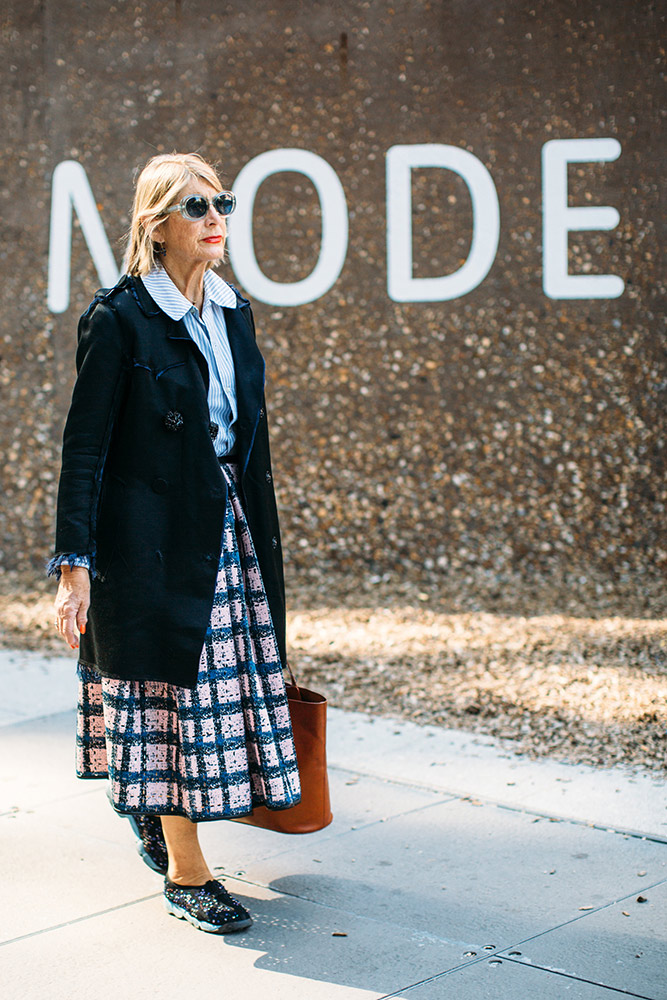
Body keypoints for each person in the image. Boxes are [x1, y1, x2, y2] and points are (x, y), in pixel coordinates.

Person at [50, 152, 301, 934]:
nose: (215, 217)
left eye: (221, 201)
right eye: (195, 207)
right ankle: (187, 874)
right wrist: (74, 566)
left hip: (229, 530)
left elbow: (245, 437)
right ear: (156, 226)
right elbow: (83, 448)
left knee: (221, 696)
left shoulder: (234, 310)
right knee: (173, 701)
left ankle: (152, 814)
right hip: (149, 539)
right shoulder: (119, 317)